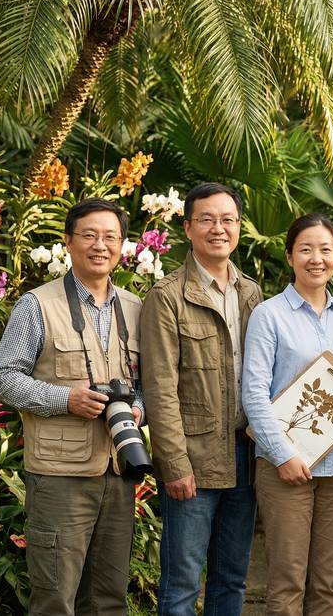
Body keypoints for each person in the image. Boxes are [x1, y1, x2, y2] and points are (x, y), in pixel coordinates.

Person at [0, 198, 143, 616]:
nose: (100, 245)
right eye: (89, 235)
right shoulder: (37, 305)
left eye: (110, 237)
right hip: (59, 476)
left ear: (122, 245)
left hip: (118, 470)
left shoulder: (135, 307)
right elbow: (2, 378)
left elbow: (145, 385)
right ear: (68, 241)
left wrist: (138, 407)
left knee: (109, 598)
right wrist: (65, 399)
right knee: (56, 598)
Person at [242, 213, 333, 616]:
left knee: (326, 584)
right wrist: (283, 455)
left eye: (325, 249)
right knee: (287, 582)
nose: (316, 258)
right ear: (289, 256)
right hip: (286, 468)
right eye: (306, 249)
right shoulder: (269, 315)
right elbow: (254, 393)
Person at [140, 183, 263, 616]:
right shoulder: (167, 296)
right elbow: (159, 387)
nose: (218, 228)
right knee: (181, 583)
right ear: (188, 227)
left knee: (232, 578)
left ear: (238, 228)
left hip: (246, 455)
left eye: (227, 220)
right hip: (194, 457)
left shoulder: (252, 293)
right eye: (207, 220)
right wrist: (174, 463)